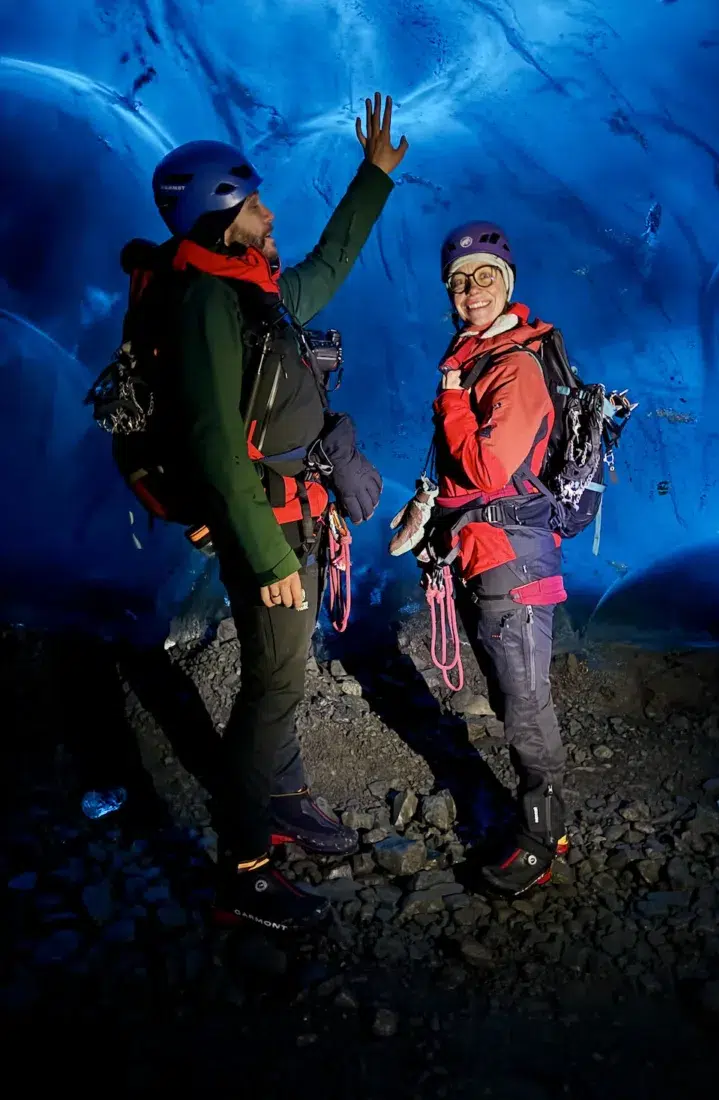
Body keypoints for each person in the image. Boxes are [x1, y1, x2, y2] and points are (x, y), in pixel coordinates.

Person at [130, 93, 408, 931]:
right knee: (275, 683)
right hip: (270, 531)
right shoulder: (205, 303)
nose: (269, 209)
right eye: (253, 203)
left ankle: (281, 796)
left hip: (293, 517)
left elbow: (324, 267)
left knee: (281, 676)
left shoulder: (250, 291)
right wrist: (270, 557)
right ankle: (245, 868)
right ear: (216, 214)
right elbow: (218, 445)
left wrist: (374, 177)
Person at [392, 222, 569, 896]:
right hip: (485, 553)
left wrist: (450, 394)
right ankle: (537, 817)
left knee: (523, 702)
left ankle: (538, 836)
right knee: (507, 694)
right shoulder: (475, 356)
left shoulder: (512, 366)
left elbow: (488, 465)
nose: (471, 291)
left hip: (512, 559)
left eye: (484, 276)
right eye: (459, 281)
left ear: (508, 282)